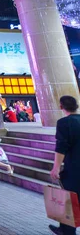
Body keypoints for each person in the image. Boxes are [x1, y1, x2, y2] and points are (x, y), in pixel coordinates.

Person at [49, 96, 80, 235]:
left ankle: (67, 231)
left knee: (69, 199)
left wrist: (56, 168)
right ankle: (63, 228)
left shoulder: (64, 123)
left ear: (61, 107)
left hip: (73, 168)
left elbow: (61, 147)